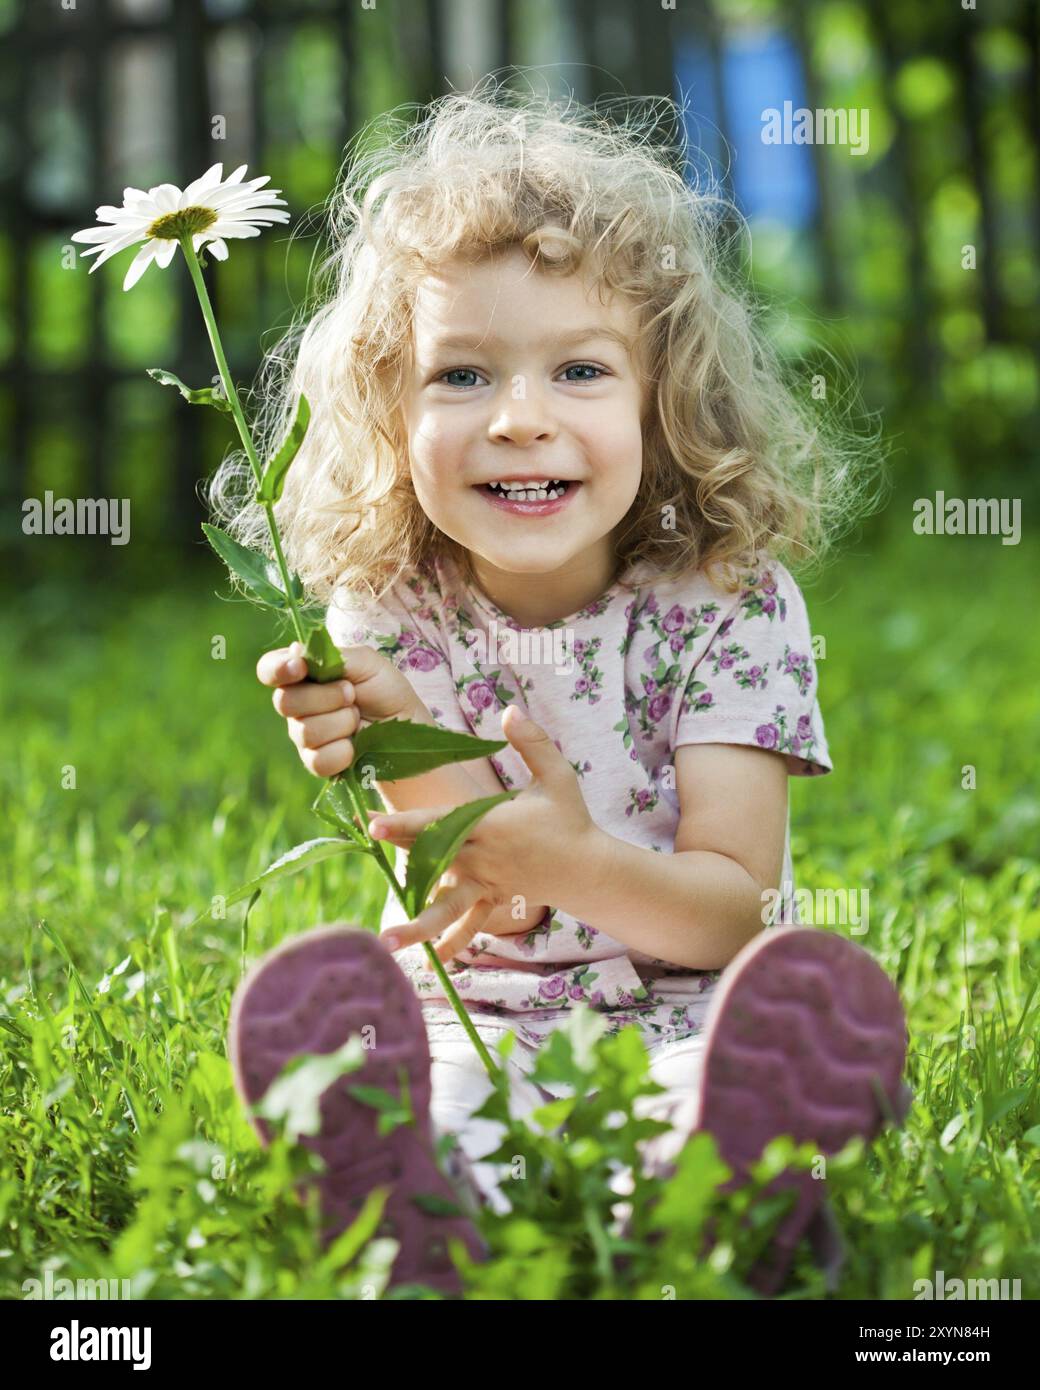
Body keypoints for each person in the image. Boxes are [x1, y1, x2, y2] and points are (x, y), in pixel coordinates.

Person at [216, 80, 910, 1297]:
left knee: (691, 1087)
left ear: (663, 394)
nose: (519, 421)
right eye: (462, 377)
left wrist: (569, 858)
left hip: (684, 1010)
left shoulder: (731, 605)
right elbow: (475, 886)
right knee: (431, 1080)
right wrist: (358, 719)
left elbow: (728, 914)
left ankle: (722, 1179)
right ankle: (413, 1200)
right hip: (471, 1006)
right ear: (388, 408)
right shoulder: (386, 609)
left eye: (579, 371)